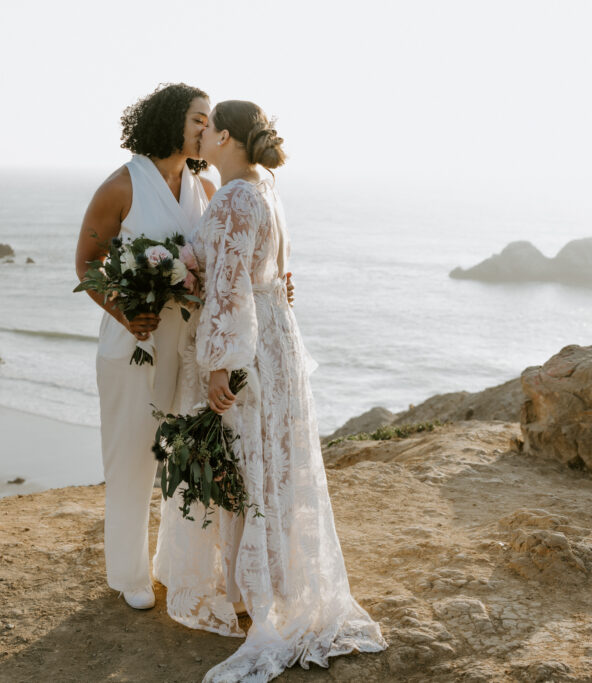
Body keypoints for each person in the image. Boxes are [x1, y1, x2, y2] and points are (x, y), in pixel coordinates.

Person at [153, 100, 388, 681]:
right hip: (276, 333)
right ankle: (257, 577)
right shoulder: (265, 188)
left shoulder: (233, 196)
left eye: (208, 130)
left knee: (241, 457)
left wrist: (220, 365)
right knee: (266, 460)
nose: (200, 138)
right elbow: (270, 271)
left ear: (227, 136)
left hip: (250, 344)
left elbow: (230, 289)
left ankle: (244, 590)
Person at [75, 83, 215, 610]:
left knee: (180, 456)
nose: (207, 128)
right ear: (171, 122)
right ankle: (129, 575)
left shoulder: (204, 184)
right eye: (199, 119)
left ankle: (173, 563)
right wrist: (126, 314)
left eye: (210, 120)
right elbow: (87, 267)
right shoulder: (121, 186)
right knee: (132, 459)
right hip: (135, 345)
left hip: (189, 346)